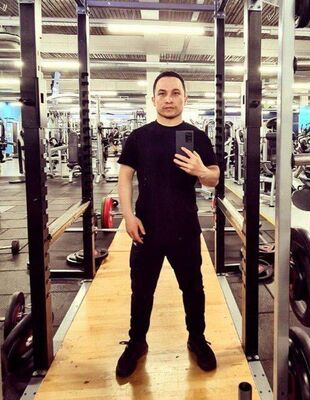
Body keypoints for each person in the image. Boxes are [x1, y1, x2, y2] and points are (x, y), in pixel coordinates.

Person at [116, 71, 220, 378]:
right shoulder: (138, 137)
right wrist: (127, 215)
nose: (169, 99)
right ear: (153, 99)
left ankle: (197, 338)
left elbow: (214, 178)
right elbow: (125, 177)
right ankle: (137, 342)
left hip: (185, 229)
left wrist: (202, 170)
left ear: (185, 98)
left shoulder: (198, 137)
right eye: (162, 93)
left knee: (193, 289)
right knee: (141, 290)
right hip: (146, 229)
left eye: (175, 93)